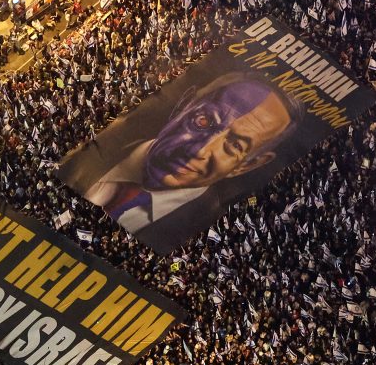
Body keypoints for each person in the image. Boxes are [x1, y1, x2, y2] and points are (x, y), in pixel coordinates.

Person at [60, 73, 301, 249]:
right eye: (204, 122)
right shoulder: (83, 152)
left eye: (235, 146)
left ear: (248, 165)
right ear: (185, 105)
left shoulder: (195, 231)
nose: (200, 151)